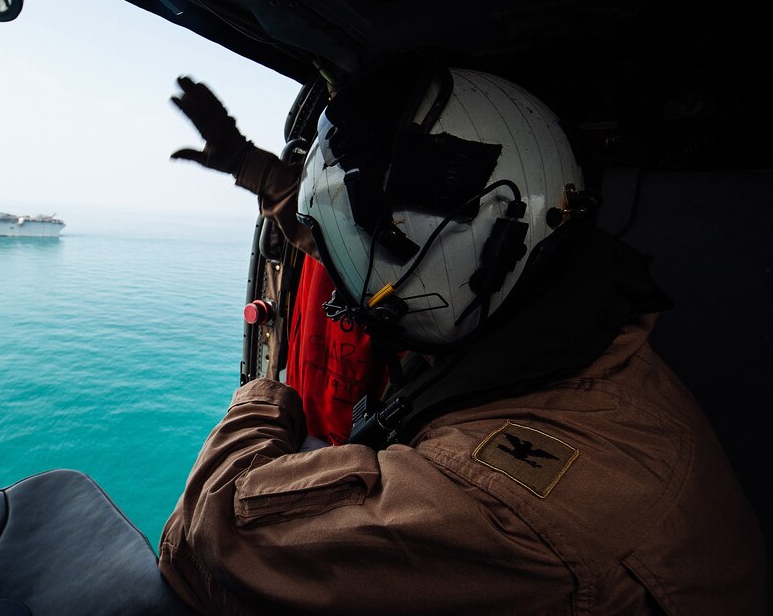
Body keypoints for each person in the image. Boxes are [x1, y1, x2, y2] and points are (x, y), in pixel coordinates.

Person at [161, 63, 768, 613]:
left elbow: (214, 536)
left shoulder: (500, 503)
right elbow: (400, 252)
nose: (347, 293)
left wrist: (264, 395)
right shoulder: (555, 312)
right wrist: (252, 166)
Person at [170, 76, 387, 446]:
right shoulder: (329, 234)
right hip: (305, 424)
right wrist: (245, 162)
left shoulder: (417, 271)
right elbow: (319, 222)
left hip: (364, 450)